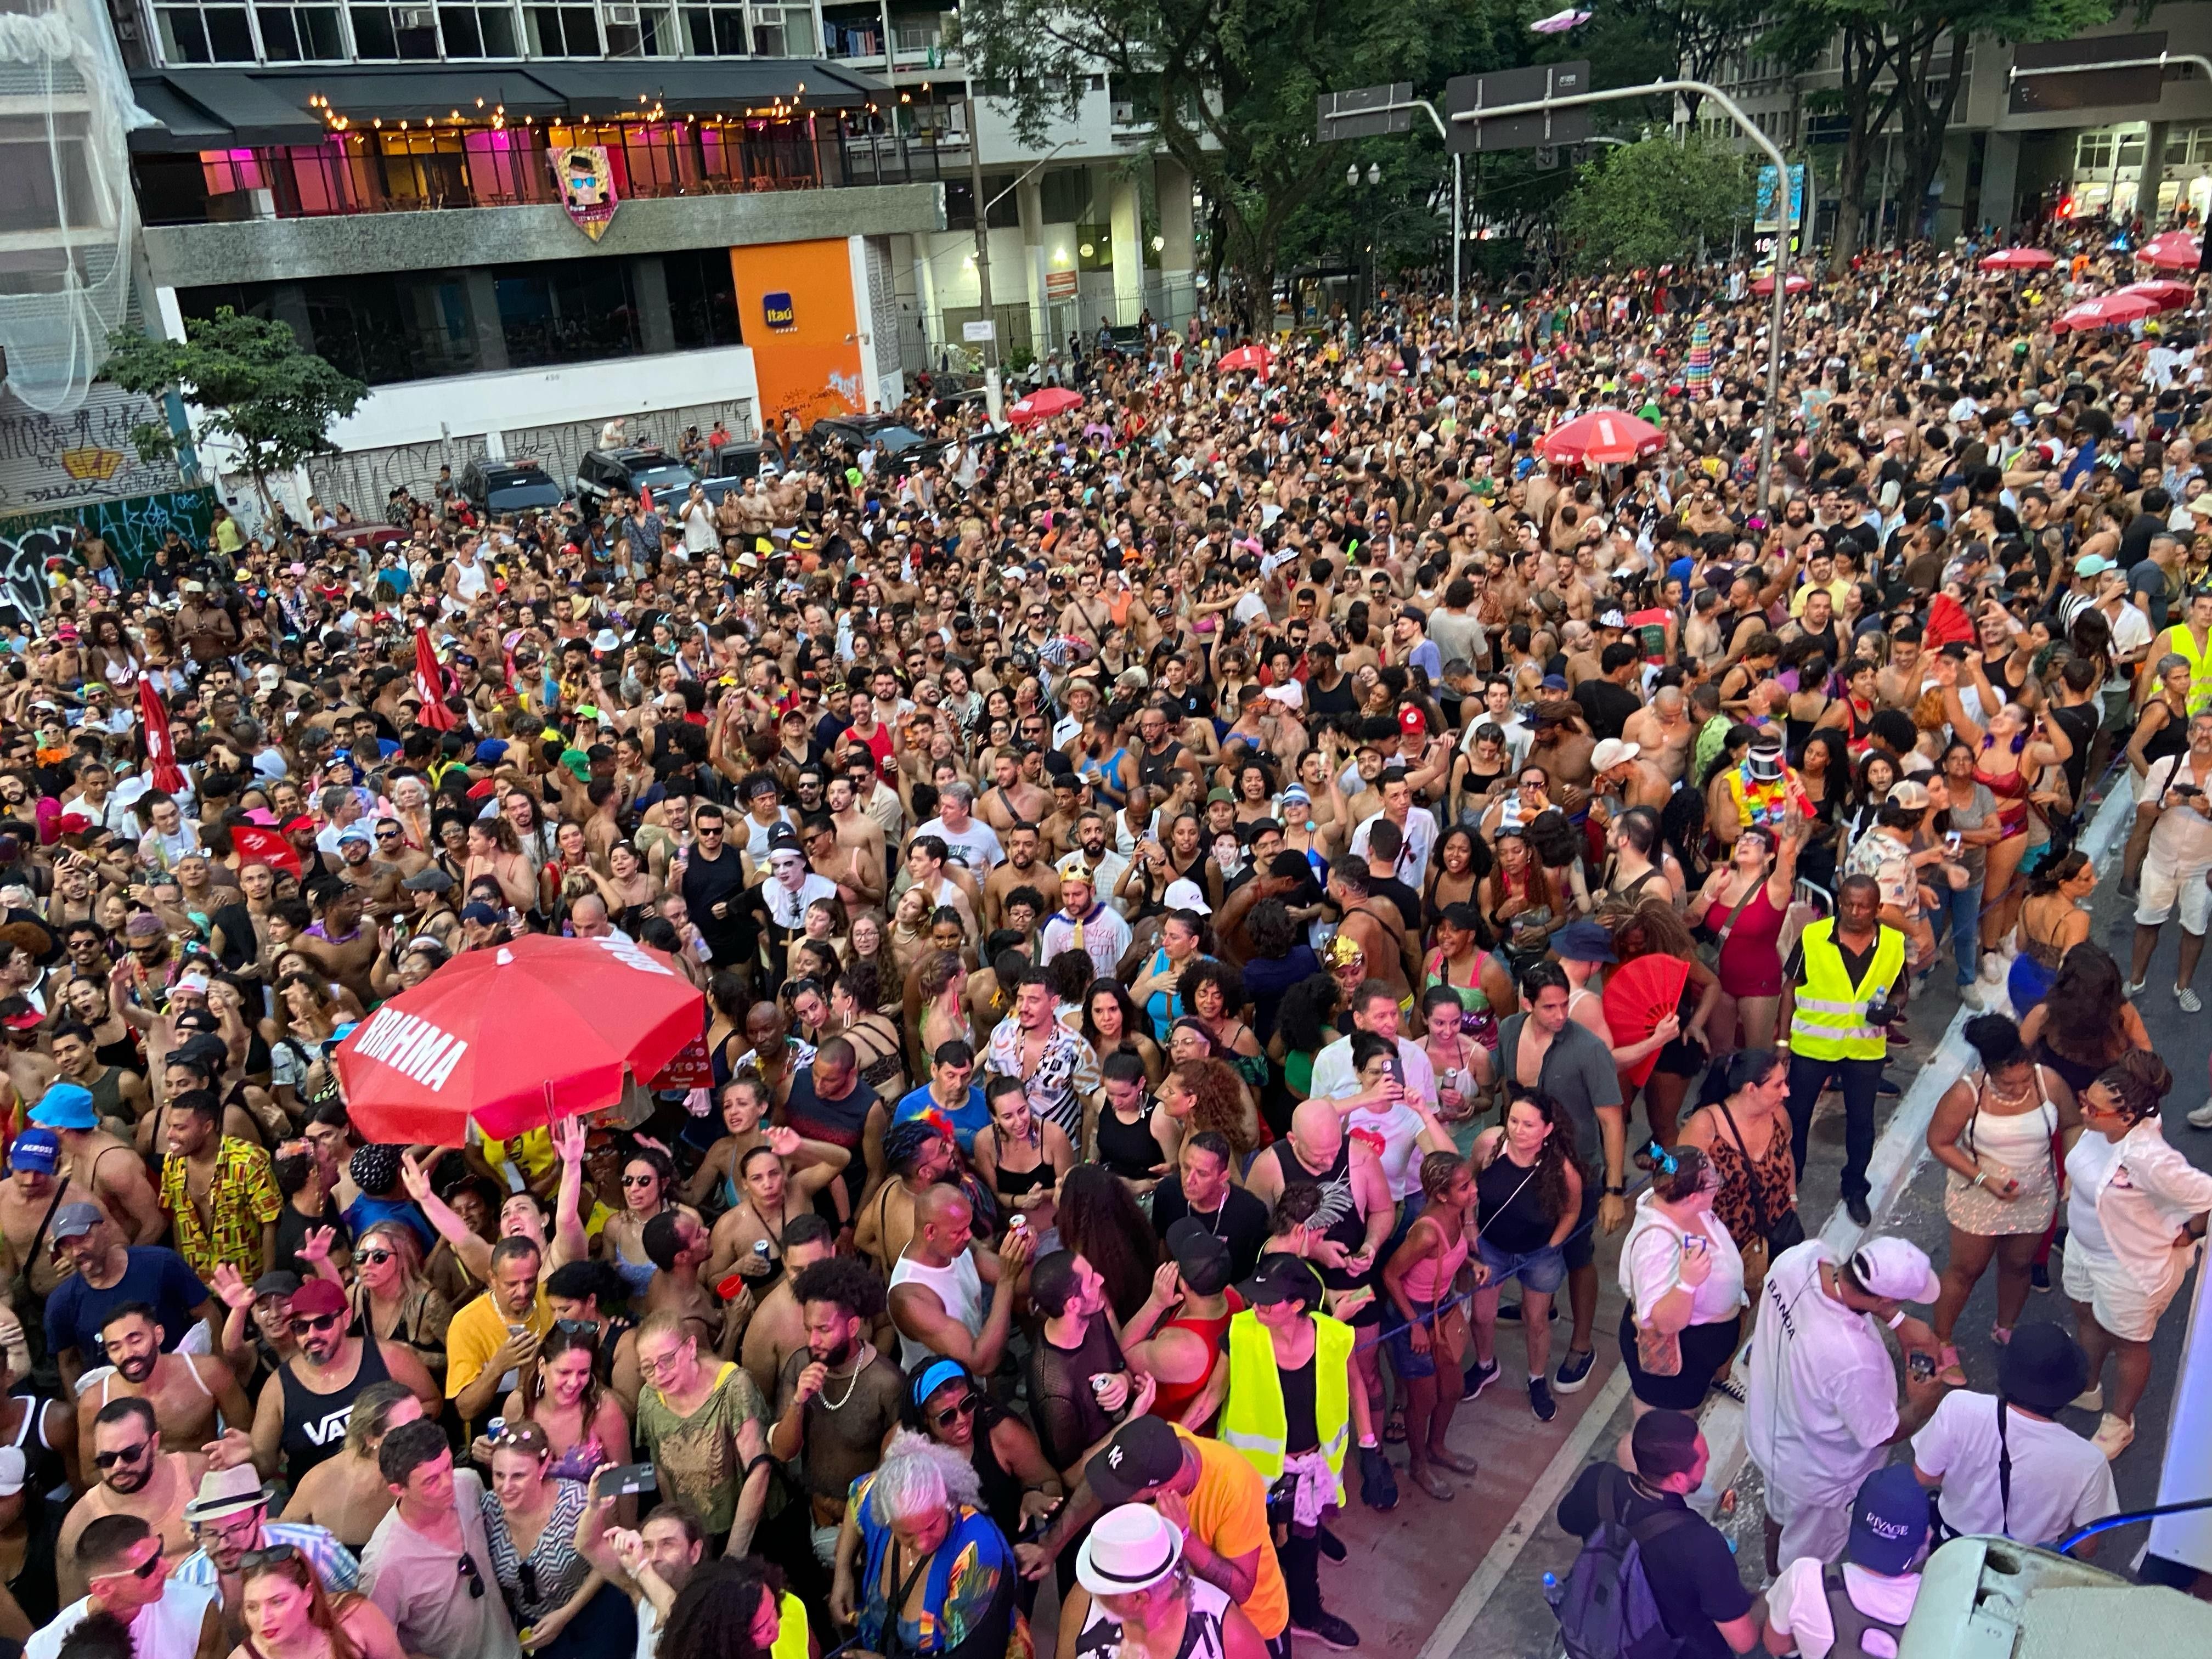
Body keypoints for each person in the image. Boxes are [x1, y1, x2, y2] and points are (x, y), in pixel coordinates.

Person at [1742, 1236, 1948, 1574]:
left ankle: (1771, 1576)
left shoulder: (1801, 1257)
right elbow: (1881, 1432)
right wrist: (1923, 1403)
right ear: (1884, 1298)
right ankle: (1783, 1601)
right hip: (1820, 1476)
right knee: (1806, 1564)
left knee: (1778, 1515)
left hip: (1770, 1431)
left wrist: (1898, 1322)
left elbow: (1856, 1294)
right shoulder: (1852, 1358)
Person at [1215, 1254, 1381, 1652]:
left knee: (1305, 1547)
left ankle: (1306, 1614)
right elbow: (1211, 1398)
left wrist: (1369, 1444)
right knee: (1257, 1552)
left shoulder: (1333, 1335)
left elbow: (1355, 1385)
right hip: (1254, 1476)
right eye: (1255, 1299)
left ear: (1296, 1306)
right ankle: (1264, 1627)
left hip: (1311, 1470)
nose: (1256, 1308)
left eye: (1267, 1302)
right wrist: (1181, 1441)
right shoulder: (1239, 1334)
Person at [2062, 1053, 2212, 1459]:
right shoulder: (2101, 1130)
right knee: (2087, 1316)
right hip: (2083, 1249)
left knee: (2129, 1344)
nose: (2084, 1110)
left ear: (2126, 1117)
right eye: (2084, 1099)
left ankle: (2120, 1421)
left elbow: (2206, 1194)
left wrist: (2191, 1232)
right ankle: (2087, 1385)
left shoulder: (2150, 1159)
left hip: (2128, 1266)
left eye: (2094, 1108)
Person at [1494, 962, 1625, 1397]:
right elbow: (1506, 1089)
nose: (1560, 1014)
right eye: (1548, 1006)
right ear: (1526, 1002)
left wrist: (1613, 1191)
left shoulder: (1588, 1049)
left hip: (1577, 1168)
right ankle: (1540, 1304)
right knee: (1530, 1239)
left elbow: (1612, 1120)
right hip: (1523, 1160)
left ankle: (1582, 1344)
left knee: (1577, 1255)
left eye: (1564, 1003)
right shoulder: (1510, 1029)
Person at [1927, 1014, 2074, 1361]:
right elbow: (1939, 1141)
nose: (2021, 1088)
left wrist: (2070, 1171)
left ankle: (2005, 1328)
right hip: (1980, 1197)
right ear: (1989, 1072)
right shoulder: (1966, 1095)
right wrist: (1983, 1179)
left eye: (2025, 1079)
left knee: (2020, 1266)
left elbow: (2072, 1124)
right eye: (2009, 1084)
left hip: (2035, 1195)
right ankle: (1941, 1341)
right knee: (1966, 1271)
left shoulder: (2049, 1083)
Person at [1555, 1410, 1760, 1659]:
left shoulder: (1599, 1481)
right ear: (1679, 1480)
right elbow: (1744, 1642)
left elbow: (1567, 1520)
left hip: (1608, 1624)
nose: (1706, 1465)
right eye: (1703, 1462)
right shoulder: (1702, 1545)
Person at [1910, 1322, 2117, 1550]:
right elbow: (2087, 1546)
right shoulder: (2089, 1461)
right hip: (2027, 1565)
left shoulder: (1959, 1407)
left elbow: (1923, 1475)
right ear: (2071, 1388)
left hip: (1954, 1547)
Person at [1779, 873, 1908, 1226]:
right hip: (1812, 1045)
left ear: (1878, 908)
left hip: (1864, 1050)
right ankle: (1791, 1181)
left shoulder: (1894, 943)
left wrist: (1893, 1010)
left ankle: (1854, 1188)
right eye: (1848, 903)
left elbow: (1899, 989)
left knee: (1862, 1123)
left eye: (1863, 906)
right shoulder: (1814, 936)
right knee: (1797, 1117)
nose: (1854, 911)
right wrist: (1782, 1043)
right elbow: (1790, 989)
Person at [828, 1431, 1017, 1659]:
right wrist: (843, 1571)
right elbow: (858, 1495)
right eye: (907, 1534)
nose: (923, 1543)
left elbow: (971, 1654)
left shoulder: (977, 1551)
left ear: (949, 1502)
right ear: (887, 1521)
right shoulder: (882, 1499)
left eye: (932, 1526)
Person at [767, 1257, 901, 1572]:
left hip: (867, 1528)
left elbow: (895, 1470)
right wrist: (798, 1402)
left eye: (824, 1330)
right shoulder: (800, 1366)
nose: (813, 1341)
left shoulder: (887, 1382)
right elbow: (784, 1451)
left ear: (853, 1326)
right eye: (808, 1329)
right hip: (816, 1517)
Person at [247, 1277, 435, 1487]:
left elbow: (431, 1402)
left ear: (345, 1319)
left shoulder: (388, 1357)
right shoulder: (278, 1388)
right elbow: (263, 1467)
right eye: (301, 1327)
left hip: (390, 1489)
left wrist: (396, 1438)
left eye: (323, 1323)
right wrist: (248, 1457)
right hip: (319, 1508)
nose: (312, 1335)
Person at [358, 1419, 520, 1659]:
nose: (448, 1484)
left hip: (511, 1648)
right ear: (398, 1489)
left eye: (448, 1468)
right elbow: (379, 1648)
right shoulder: (384, 1565)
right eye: (431, 1481)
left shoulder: (467, 1483)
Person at [1464, 1090, 1582, 1417]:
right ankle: (1486, 1365)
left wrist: (1553, 1245)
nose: (1517, 1130)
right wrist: (1470, 1222)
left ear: (1547, 1130)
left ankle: (1536, 1379)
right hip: (1491, 1247)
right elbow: (1468, 1185)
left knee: (1537, 1321)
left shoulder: (1563, 1170)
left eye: (1529, 1124)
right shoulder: (1489, 1145)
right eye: (1513, 1120)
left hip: (1539, 1254)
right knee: (1483, 1315)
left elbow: (1572, 1211)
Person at [477, 1423, 631, 1659]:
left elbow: (608, 1557)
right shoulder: (488, 1510)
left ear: (543, 1467)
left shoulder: (575, 1501)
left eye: (518, 1476)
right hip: (536, 1626)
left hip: (595, 1611)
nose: (505, 1487)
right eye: (499, 1475)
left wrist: (565, 1614)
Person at [1618, 1147, 1747, 1418]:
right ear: (1691, 1196)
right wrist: (1687, 1283)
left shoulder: (1681, 1207)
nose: (1718, 1185)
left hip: (1698, 1355)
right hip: (1677, 1364)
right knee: (1662, 1437)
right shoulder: (1655, 1247)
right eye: (1713, 1183)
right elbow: (1661, 1323)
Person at [1380, 1152, 1481, 1488]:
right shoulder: (1426, 1233)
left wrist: (1472, 1265)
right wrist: (1414, 1324)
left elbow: (1449, 1259)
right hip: (1414, 1313)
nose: (1473, 1191)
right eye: (1464, 1187)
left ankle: (1437, 1447)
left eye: (1471, 1182)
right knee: (1423, 1400)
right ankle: (1419, 1464)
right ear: (1441, 1195)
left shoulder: (1459, 1214)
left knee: (1452, 1389)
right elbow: (1391, 1275)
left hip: (1442, 1308)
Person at [1057, 1503, 1268, 1659]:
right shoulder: (1081, 1603)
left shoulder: (1226, 1631)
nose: (1093, 1593)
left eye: (1103, 1589)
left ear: (1139, 1598)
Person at [1759, 1465, 1928, 1659]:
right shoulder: (1941, 1607)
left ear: (1853, 1520)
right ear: (1926, 1537)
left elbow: (1776, 1645)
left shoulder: (1803, 1580)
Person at [26, 1516, 220, 1659]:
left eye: (159, 1551)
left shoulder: (198, 1611)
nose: (166, 1567)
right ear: (103, 1588)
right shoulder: (46, 1648)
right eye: (148, 1567)